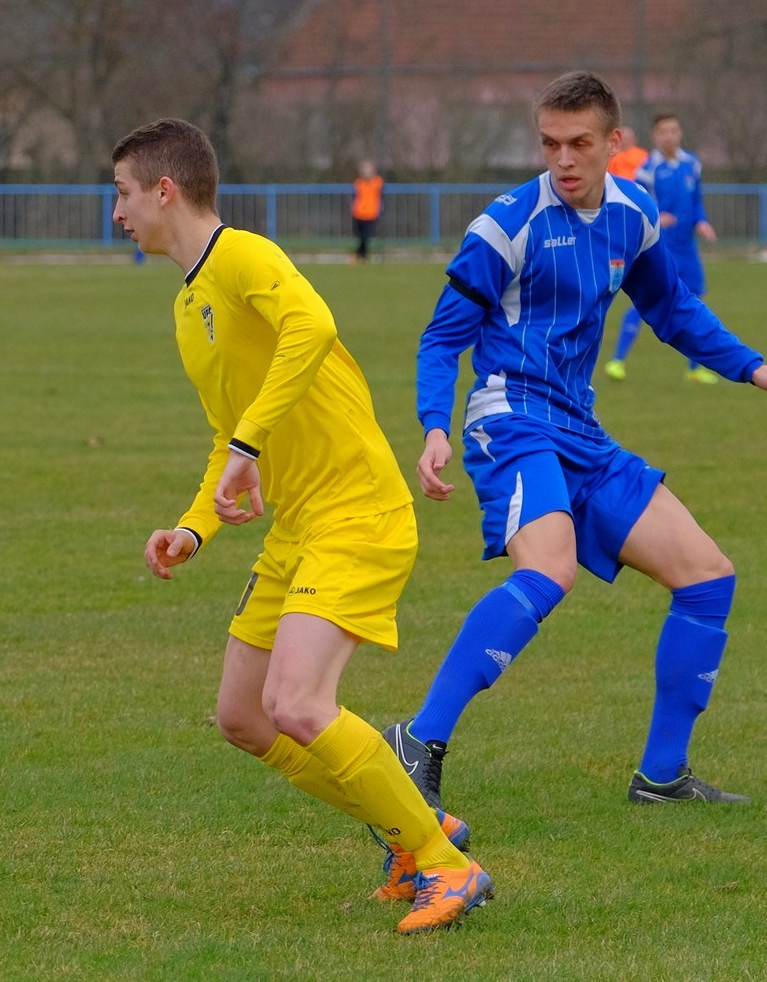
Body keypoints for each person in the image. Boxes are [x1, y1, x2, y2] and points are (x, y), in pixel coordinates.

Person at [384, 72, 767, 815]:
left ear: (614, 143)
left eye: (579, 143)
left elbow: (671, 308)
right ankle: (419, 738)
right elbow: (442, 339)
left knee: (707, 576)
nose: (563, 159)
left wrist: (752, 368)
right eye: (549, 144)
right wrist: (434, 425)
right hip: (511, 419)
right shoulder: (505, 226)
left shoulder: (633, 214)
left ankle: (662, 776)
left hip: (581, 431)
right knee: (549, 570)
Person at [115, 118, 492, 934]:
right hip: (298, 525)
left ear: (164, 190)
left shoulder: (242, 255)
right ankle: (415, 829)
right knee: (244, 717)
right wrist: (194, 528)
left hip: (358, 511)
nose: (117, 213)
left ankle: (444, 863)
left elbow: (312, 327)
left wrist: (248, 445)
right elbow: (229, 434)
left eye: (123, 193)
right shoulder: (189, 305)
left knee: (297, 702)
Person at [604, 113, 718, 382]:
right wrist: (656, 214)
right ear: (655, 136)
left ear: (680, 133)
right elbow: (637, 202)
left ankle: (695, 368)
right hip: (661, 246)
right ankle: (617, 361)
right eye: (664, 132)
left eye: (673, 130)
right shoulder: (648, 169)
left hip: (687, 247)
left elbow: (696, 200)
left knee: (695, 301)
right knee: (649, 300)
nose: (669, 136)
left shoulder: (692, 164)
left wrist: (701, 220)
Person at [350, 160, 384, 263]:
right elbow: (355, 197)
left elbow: (380, 196)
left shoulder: (377, 182)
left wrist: (379, 208)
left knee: (366, 236)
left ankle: (359, 255)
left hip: (371, 214)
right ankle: (362, 256)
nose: (366, 172)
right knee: (361, 237)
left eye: (368, 169)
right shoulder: (358, 182)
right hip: (359, 213)